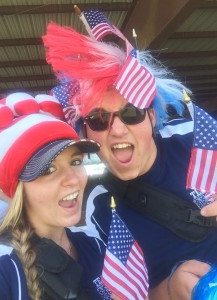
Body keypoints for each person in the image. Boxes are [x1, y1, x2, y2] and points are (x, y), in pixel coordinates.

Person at [42, 7, 217, 300]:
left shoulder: (198, 140)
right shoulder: (89, 211)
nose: (118, 130)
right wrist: (171, 289)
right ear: (86, 133)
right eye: (98, 119)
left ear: (152, 116)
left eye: (131, 113)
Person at [0, 93, 110, 300]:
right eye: (48, 169)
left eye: (75, 162)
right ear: (16, 189)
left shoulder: (94, 245)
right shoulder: (2, 269)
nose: (73, 179)